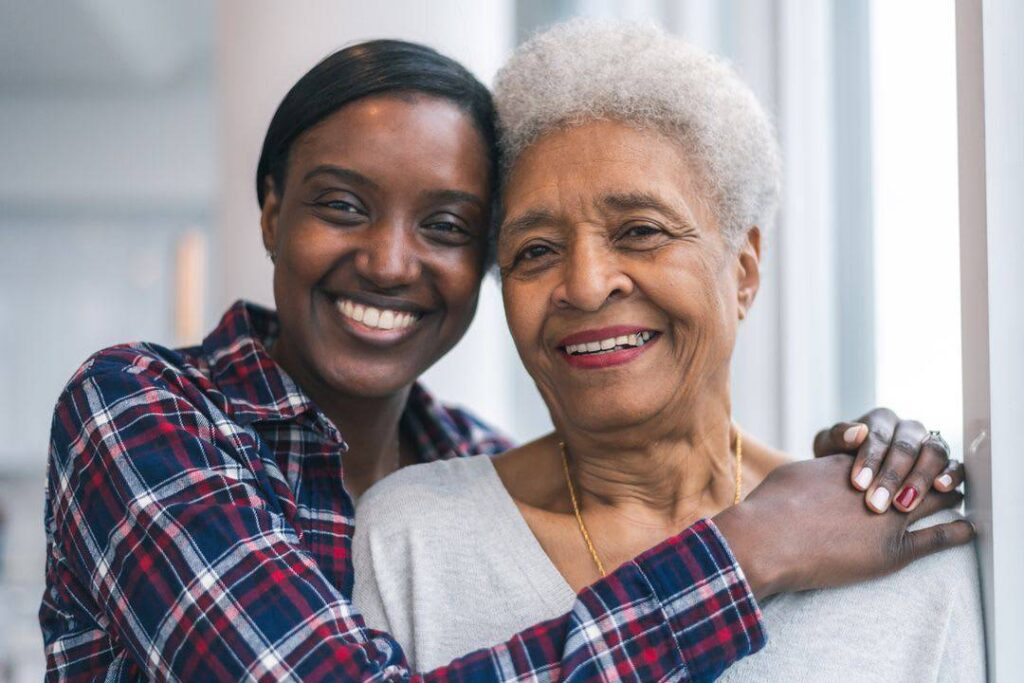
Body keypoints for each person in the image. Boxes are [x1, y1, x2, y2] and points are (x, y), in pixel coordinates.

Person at [42, 38, 967, 682]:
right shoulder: (142, 411)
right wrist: (752, 547)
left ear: (745, 268)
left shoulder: (459, 453)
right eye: (342, 204)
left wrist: (886, 461)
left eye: (445, 227)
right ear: (270, 211)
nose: (392, 261)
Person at [352, 21, 984, 680]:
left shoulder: (893, 544)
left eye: (641, 231)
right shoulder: (413, 539)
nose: (587, 285)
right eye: (535, 249)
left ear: (743, 269)